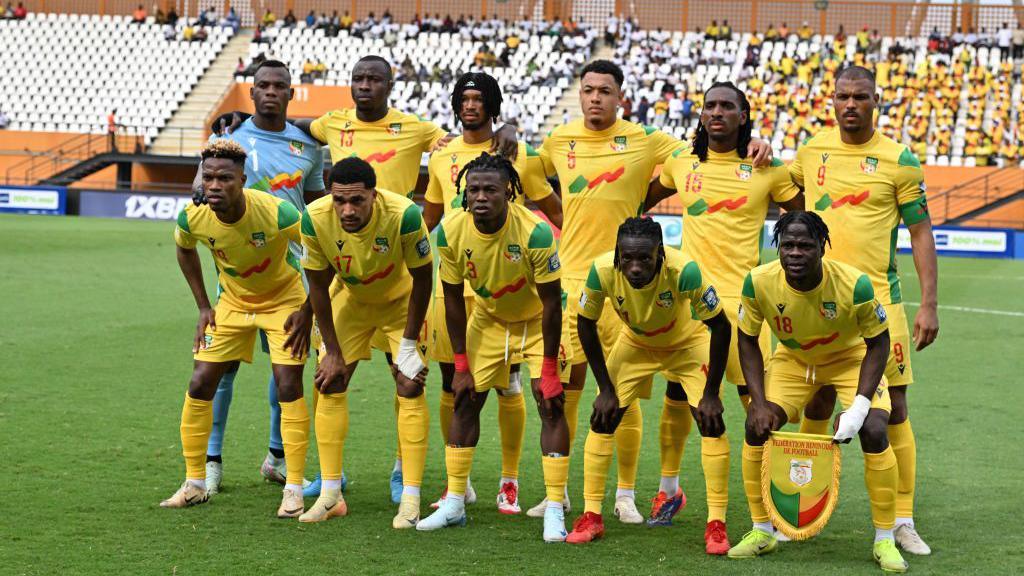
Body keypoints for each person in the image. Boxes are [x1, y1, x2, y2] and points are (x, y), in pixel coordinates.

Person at [532, 60, 771, 518]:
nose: (595, 97)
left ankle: (627, 495)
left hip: (666, 291)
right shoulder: (559, 139)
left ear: (621, 96)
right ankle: (557, 493)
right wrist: (559, 212)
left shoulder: (649, 140)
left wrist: (756, 144)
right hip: (580, 281)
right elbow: (528, 171)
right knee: (572, 386)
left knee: (682, 393)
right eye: (588, 89)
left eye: (605, 90)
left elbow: (705, 151)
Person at [644, 81, 804, 554]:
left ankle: (771, 507)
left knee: (755, 403)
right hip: (690, 300)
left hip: (743, 303)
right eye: (710, 105)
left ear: (742, 115)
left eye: (727, 106)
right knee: (679, 394)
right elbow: (637, 202)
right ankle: (669, 491)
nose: (717, 112)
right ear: (700, 114)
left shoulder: (767, 169)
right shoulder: (681, 163)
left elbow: (805, 221)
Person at [791, 66, 938, 557]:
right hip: (816, 303)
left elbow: (920, 233)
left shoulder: (899, 160)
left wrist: (929, 304)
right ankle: (804, 501)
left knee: (893, 410)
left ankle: (902, 519)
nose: (850, 104)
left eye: (860, 97)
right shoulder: (812, 150)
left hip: (879, 303)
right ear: (831, 101)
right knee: (815, 402)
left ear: (877, 101)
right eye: (842, 96)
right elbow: (784, 191)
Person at [726, 211, 907, 573]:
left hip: (849, 358)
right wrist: (758, 402)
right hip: (793, 360)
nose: (795, 253)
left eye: (805, 245)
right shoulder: (758, 282)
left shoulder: (854, 285)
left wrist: (857, 407)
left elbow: (877, 344)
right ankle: (762, 530)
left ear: (821, 247)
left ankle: (884, 538)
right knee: (755, 425)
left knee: (873, 428)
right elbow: (746, 338)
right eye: (788, 245)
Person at [420, 72, 564, 513]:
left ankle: (511, 481)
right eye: (462, 99)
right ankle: (456, 487)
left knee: (514, 387)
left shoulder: (515, 152)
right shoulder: (442, 154)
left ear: (494, 105)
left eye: (478, 99)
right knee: (456, 385)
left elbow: (558, 212)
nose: (469, 106)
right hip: (462, 282)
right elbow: (432, 215)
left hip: (520, 277)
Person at [190, 60, 325, 497]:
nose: (270, 92)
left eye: (278, 86)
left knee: (286, 369)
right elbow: (200, 190)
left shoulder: (308, 146)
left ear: (291, 93)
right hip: (239, 271)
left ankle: (277, 457)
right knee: (219, 370)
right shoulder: (229, 138)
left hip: (291, 272)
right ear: (251, 93)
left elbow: (317, 200)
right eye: (262, 85)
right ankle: (211, 462)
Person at [161, 140, 311, 521]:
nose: (214, 185)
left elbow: (318, 254)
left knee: (288, 384)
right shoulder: (192, 217)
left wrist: (308, 310)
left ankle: (293, 488)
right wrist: (202, 306)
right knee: (200, 383)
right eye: (208, 177)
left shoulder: (277, 212)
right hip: (232, 304)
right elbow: (184, 249)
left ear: (242, 180)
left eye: (225, 178)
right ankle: (195, 483)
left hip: (283, 303)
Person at [564, 217, 731, 546]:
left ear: (661, 255)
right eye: (628, 258)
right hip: (636, 343)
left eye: (645, 258)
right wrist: (606, 389)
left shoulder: (685, 272)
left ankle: (716, 523)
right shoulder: (601, 271)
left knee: (710, 421)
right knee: (603, 416)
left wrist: (711, 393)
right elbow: (585, 323)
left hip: (686, 344)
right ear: (617, 254)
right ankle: (592, 516)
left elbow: (722, 327)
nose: (636, 267)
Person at [299, 157, 433, 527]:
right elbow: (317, 287)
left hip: (401, 302)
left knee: (409, 385)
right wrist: (332, 352)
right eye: (339, 200)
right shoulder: (312, 218)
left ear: (374, 195)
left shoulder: (404, 215)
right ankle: (330, 495)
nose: (347, 209)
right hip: (352, 300)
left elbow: (424, 280)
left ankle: (410, 496)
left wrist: (407, 346)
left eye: (357, 200)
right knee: (330, 381)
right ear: (330, 194)